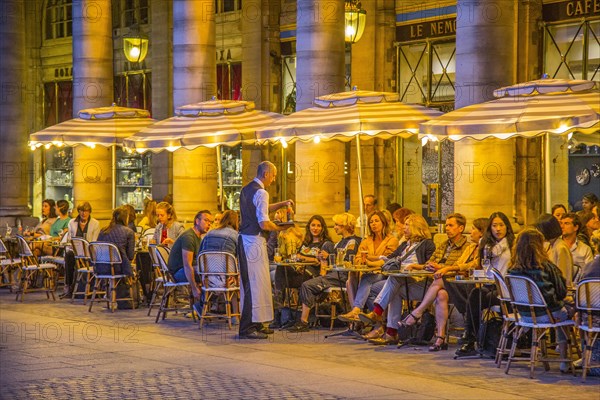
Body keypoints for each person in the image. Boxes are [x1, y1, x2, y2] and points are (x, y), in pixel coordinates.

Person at [359, 214, 436, 345]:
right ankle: (391, 333)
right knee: (394, 288)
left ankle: (377, 312)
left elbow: (431, 265)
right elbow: (391, 257)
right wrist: (373, 259)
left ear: (416, 226)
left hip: (422, 283)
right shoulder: (405, 244)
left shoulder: (428, 244)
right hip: (403, 280)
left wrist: (414, 267)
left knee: (393, 281)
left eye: (407, 225)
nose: (404, 228)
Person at [238, 161, 293, 339]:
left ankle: (259, 323)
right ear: (267, 174)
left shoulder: (247, 189)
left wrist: (282, 203)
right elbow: (263, 222)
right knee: (253, 285)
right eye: (274, 176)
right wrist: (281, 228)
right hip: (253, 241)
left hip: (246, 240)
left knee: (259, 284)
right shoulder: (262, 192)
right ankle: (247, 328)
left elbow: (261, 208)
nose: (274, 179)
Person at [508, 228, 571, 373]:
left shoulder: (512, 270)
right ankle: (565, 359)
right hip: (548, 314)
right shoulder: (547, 267)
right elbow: (561, 292)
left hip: (525, 315)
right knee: (570, 311)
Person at [455, 211, 515, 357]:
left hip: (507, 288)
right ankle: (470, 338)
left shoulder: (512, 243)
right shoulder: (486, 244)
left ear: (507, 227)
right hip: (489, 283)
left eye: (501, 225)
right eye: (495, 225)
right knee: (475, 295)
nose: (498, 229)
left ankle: (475, 338)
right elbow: (482, 265)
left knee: (483, 297)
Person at [286, 214, 358, 333]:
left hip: (341, 276)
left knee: (307, 284)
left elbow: (347, 261)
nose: (334, 227)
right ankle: (295, 318)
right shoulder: (339, 242)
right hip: (333, 274)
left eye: (337, 225)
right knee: (293, 278)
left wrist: (327, 257)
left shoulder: (352, 241)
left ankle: (303, 322)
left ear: (345, 226)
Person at [338, 210, 399, 322]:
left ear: (383, 223)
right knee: (368, 290)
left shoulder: (392, 240)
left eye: (376, 221)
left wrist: (369, 258)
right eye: (371, 222)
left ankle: (356, 310)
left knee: (366, 279)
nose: (373, 224)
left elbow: (388, 260)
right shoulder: (366, 240)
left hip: (384, 275)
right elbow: (358, 258)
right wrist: (367, 260)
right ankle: (378, 322)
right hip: (370, 276)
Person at [275, 215, 334, 295]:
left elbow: (326, 262)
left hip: (312, 275)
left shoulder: (326, 244)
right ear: (309, 227)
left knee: (282, 280)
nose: (315, 228)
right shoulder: (306, 243)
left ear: (323, 228)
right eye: (313, 225)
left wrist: (302, 257)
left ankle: (281, 301)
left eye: (318, 226)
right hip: (299, 270)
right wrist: (312, 259)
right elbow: (297, 256)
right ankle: (279, 301)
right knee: (281, 267)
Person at [168, 210, 213, 308]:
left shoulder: (198, 237)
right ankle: (201, 307)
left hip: (187, 269)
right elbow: (187, 265)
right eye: (206, 220)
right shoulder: (189, 237)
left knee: (210, 272)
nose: (209, 224)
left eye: (210, 222)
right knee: (208, 275)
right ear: (197, 221)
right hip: (178, 272)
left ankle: (206, 306)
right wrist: (193, 288)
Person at [61, 202, 101, 298]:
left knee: (75, 258)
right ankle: (68, 286)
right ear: (78, 211)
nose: (84, 213)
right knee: (69, 256)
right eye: (82, 211)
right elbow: (70, 238)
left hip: (89, 251)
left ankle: (79, 287)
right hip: (75, 250)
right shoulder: (72, 222)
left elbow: (94, 241)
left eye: (86, 211)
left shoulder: (95, 223)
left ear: (89, 212)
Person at [536, 213, 574, 287]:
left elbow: (563, 276)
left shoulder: (561, 248)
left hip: (559, 291)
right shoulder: (549, 245)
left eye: (539, 230)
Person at [97, 207, 135, 276]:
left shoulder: (103, 230)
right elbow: (130, 256)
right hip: (119, 268)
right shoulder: (129, 232)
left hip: (100, 267)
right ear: (126, 218)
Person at [560, 213, 593, 278]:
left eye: (566, 223)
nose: (562, 226)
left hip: (578, 285)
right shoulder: (553, 246)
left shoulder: (585, 249)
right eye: (561, 223)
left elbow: (589, 273)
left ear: (576, 227)